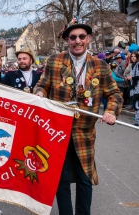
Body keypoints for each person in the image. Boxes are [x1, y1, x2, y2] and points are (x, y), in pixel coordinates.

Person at [34, 18, 123, 215]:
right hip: (58, 132)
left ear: (88, 39)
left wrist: (110, 111)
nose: (77, 41)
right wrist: (39, 93)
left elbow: (114, 94)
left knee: (85, 180)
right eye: (73, 37)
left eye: (82, 36)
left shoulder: (100, 65)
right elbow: (41, 85)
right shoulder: (54, 61)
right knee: (61, 179)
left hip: (84, 133)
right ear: (67, 40)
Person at [127, 52, 139, 126]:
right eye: (132, 56)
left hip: (138, 88)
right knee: (136, 105)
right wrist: (128, 78)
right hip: (134, 88)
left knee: (137, 105)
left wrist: (132, 78)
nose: (133, 57)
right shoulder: (132, 65)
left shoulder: (138, 65)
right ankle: (137, 121)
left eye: (135, 56)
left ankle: (137, 122)